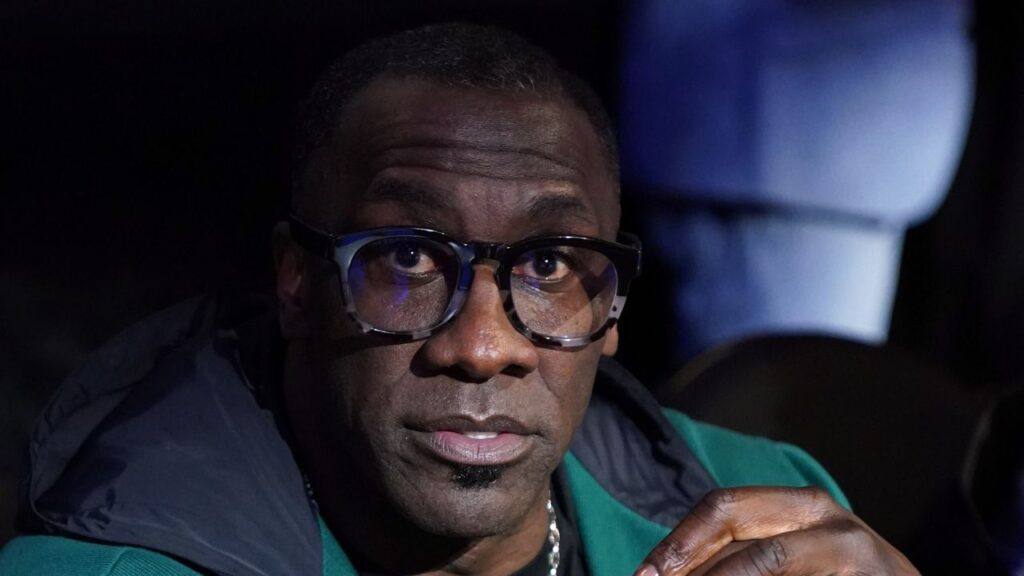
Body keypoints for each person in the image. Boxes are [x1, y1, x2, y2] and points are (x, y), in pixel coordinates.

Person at [0, 23, 918, 576]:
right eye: (407, 258)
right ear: (297, 283)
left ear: (613, 308)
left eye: (550, 263)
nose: (482, 347)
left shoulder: (761, 505)